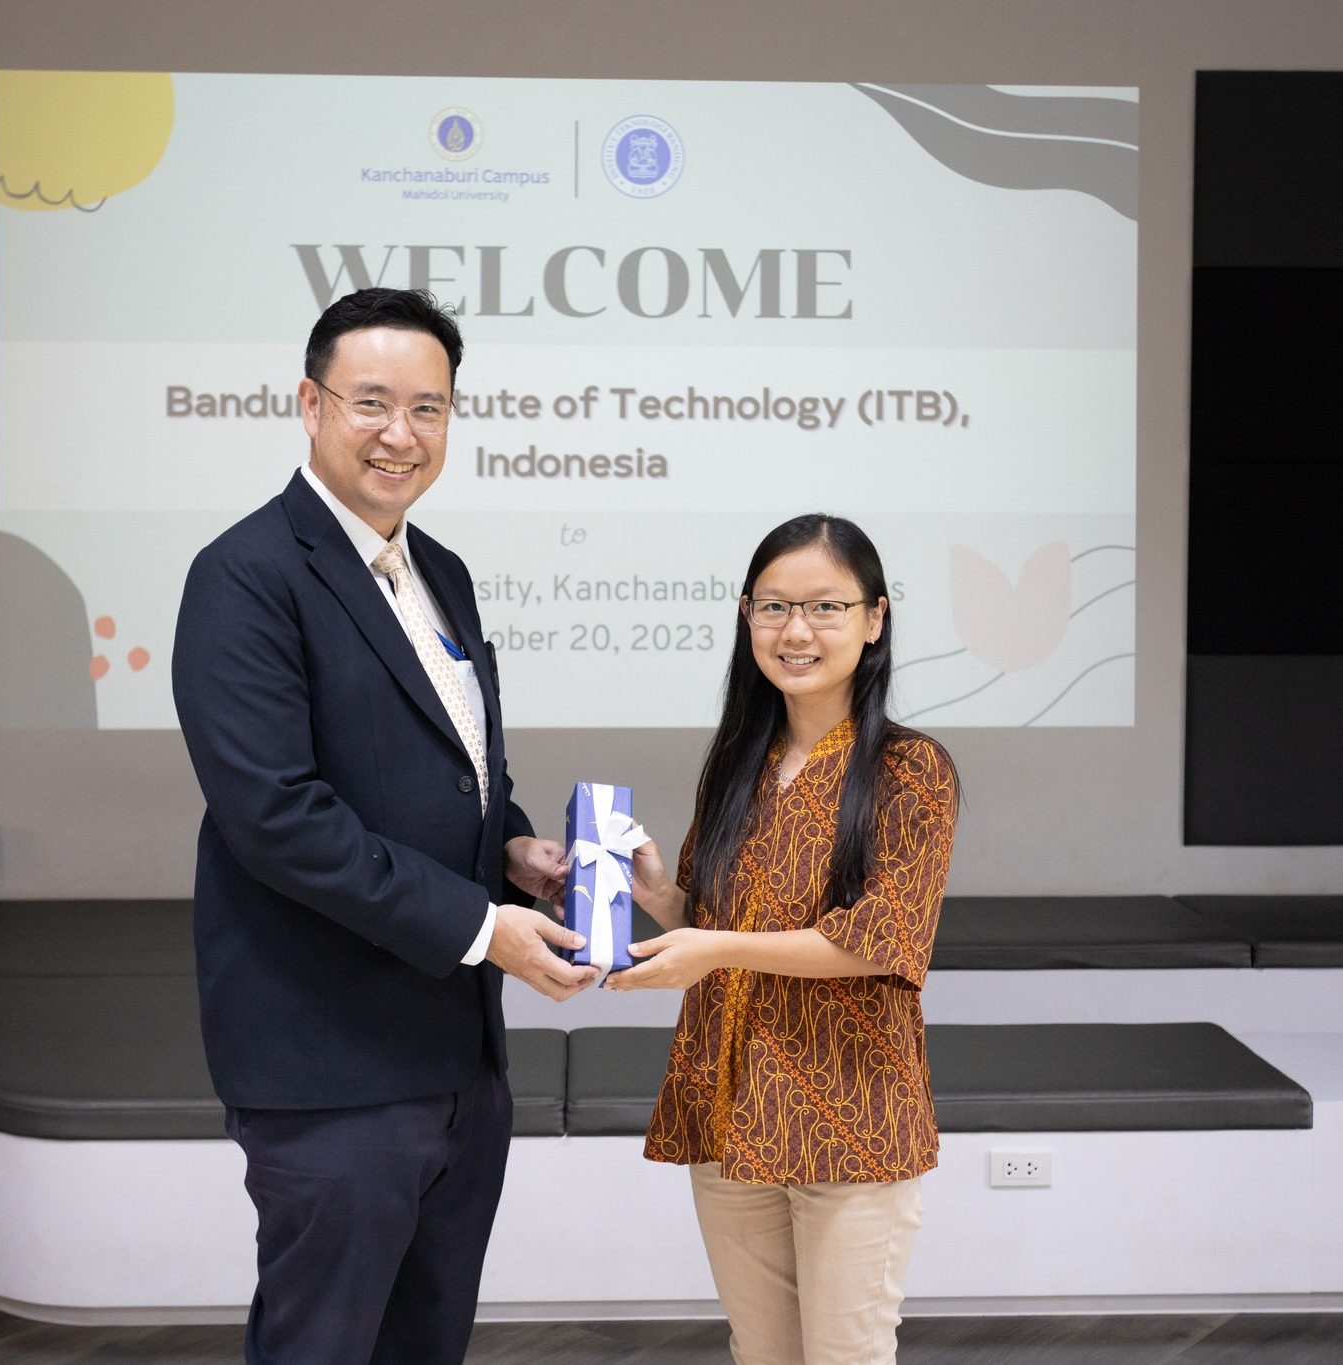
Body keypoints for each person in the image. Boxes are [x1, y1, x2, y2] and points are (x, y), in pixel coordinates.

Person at [172, 287, 597, 1365]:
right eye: (371, 402)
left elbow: (459, 772)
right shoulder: (245, 575)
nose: (400, 433)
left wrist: (514, 849)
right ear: (310, 405)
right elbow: (278, 817)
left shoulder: (439, 571)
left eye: (428, 408)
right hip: (331, 1067)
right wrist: (484, 927)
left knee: (425, 1345)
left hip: (459, 1061)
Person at [607, 513, 957, 1365]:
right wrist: (660, 896)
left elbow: (878, 940)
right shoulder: (740, 760)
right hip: (733, 1110)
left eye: (824, 607)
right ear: (746, 616)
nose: (795, 631)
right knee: (760, 1353)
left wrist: (716, 947)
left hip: (851, 1117)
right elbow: (711, 925)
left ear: (873, 619)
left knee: (844, 1354)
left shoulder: (910, 768)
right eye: (773, 607)